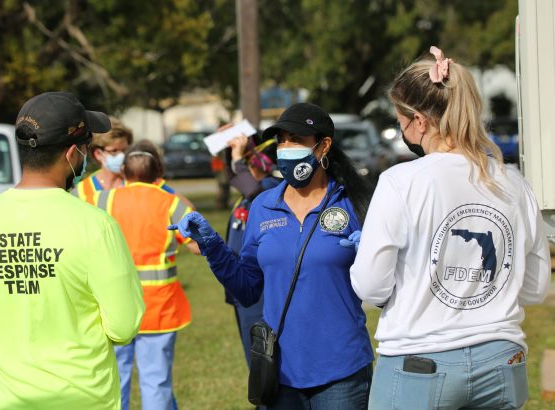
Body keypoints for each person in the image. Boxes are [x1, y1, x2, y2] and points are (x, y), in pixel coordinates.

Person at [350, 47, 552, 409]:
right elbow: (536, 287)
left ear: (419, 121)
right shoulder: (515, 183)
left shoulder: (400, 181)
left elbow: (369, 284)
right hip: (502, 359)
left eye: (400, 118)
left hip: (418, 363)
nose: (400, 127)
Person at [170, 103, 375, 409]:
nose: (286, 148)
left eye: (297, 139)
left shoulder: (352, 203)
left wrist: (369, 255)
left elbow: (382, 284)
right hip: (281, 371)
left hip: (342, 371)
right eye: (282, 140)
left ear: (324, 146)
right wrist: (212, 246)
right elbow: (248, 288)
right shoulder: (263, 206)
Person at [0, 91, 145, 410]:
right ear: (72, 154)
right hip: (86, 398)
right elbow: (124, 325)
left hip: (14, 399)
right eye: (86, 148)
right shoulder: (95, 225)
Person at [95, 149, 199, 410]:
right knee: (156, 381)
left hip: (115, 306)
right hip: (160, 309)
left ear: (124, 172)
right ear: (157, 175)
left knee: (115, 379)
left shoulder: (103, 201)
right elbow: (198, 246)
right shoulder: (171, 203)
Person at [222, 128, 281, 368]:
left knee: (265, 362)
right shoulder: (245, 196)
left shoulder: (270, 188)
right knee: (255, 361)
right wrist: (230, 148)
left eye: (246, 161)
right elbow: (237, 178)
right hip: (244, 291)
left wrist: (237, 157)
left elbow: (251, 187)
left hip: (262, 293)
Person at [72, 116, 133, 204]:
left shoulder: (136, 183)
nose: (122, 156)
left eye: (125, 150)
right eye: (114, 151)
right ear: (98, 154)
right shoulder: (81, 192)